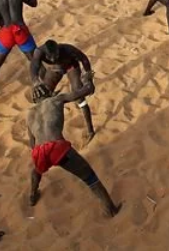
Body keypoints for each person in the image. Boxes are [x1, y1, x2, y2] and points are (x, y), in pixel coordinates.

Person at [27, 82, 120, 216]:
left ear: (35, 100)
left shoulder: (30, 113)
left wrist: (42, 158)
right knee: (89, 176)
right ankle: (110, 209)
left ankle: (32, 194)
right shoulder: (56, 99)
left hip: (39, 151)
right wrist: (88, 80)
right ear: (48, 92)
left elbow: (32, 141)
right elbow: (85, 91)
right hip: (57, 147)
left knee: (36, 170)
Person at [30, 40, 97, 143]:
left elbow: (83, 58)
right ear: (46, 53)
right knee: (42, 95)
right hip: (54, 69)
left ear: (59, 50)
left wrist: (88, 75)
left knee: (79, 96)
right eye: (50, 57)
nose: (53, 59)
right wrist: (36, 82)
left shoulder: (68, 49)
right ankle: (44, 131)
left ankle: (90, 130)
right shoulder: (39, 52)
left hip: (71, 67)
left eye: (56, 55)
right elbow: (34, 66)